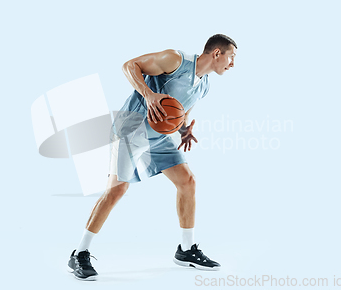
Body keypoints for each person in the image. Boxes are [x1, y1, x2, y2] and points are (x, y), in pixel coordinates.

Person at [67, 34, 237, 281]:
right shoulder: (176, 60)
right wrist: (147, 94)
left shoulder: (205, 85)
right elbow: (129, 66)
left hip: (157, 136)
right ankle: (79, 253)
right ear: (217, 53)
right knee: (116, 190)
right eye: (231, 57)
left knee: (187, 182)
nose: (232, 64)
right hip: (131, 128)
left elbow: (177, 115)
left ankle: (186, 250)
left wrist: (184, 129)